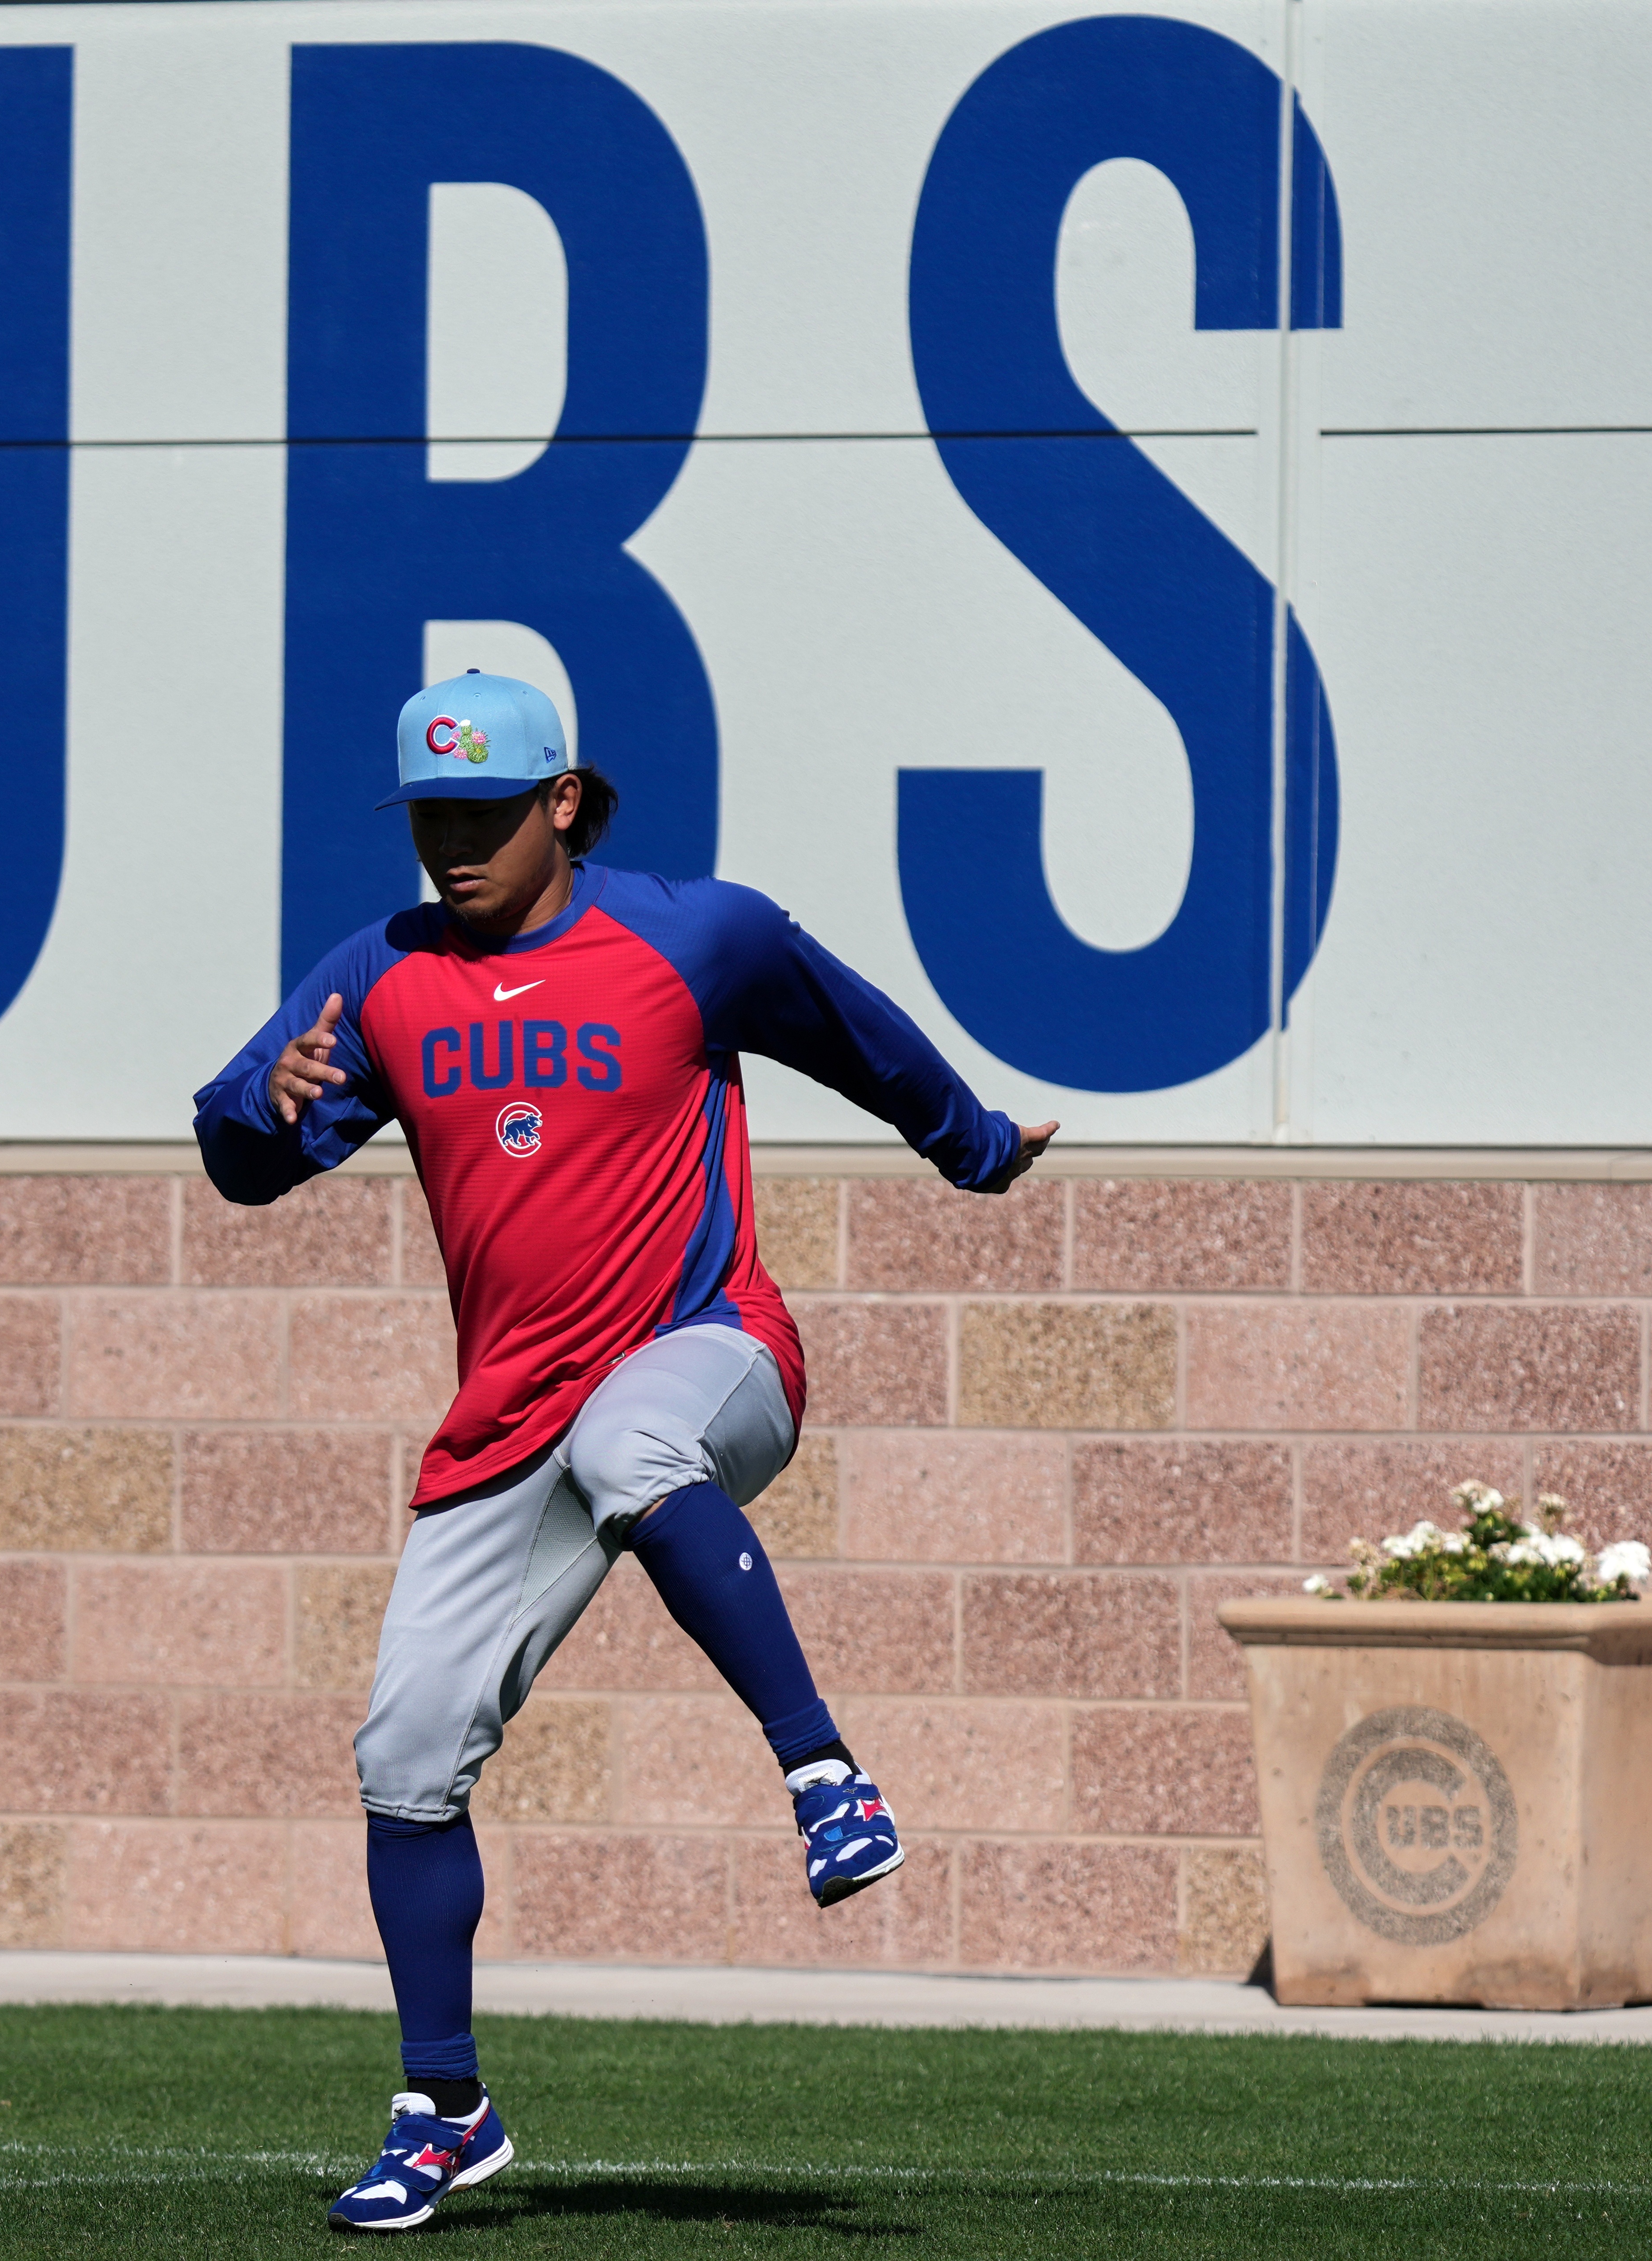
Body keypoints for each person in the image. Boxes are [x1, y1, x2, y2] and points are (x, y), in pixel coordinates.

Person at [191, 671, 1057, 2233]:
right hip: (515, 1422)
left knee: (633, 1431)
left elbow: (860, 1035)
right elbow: (238, 1155)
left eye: (483, 812)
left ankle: (826, 1775)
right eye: (428, 816)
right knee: (404, 1756)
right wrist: (266, 1099)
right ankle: (444, 2105)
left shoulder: (694, 936)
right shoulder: (382, 976)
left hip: (712, 1353)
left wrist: (977, 1144)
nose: (451, 843)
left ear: (565, 803)